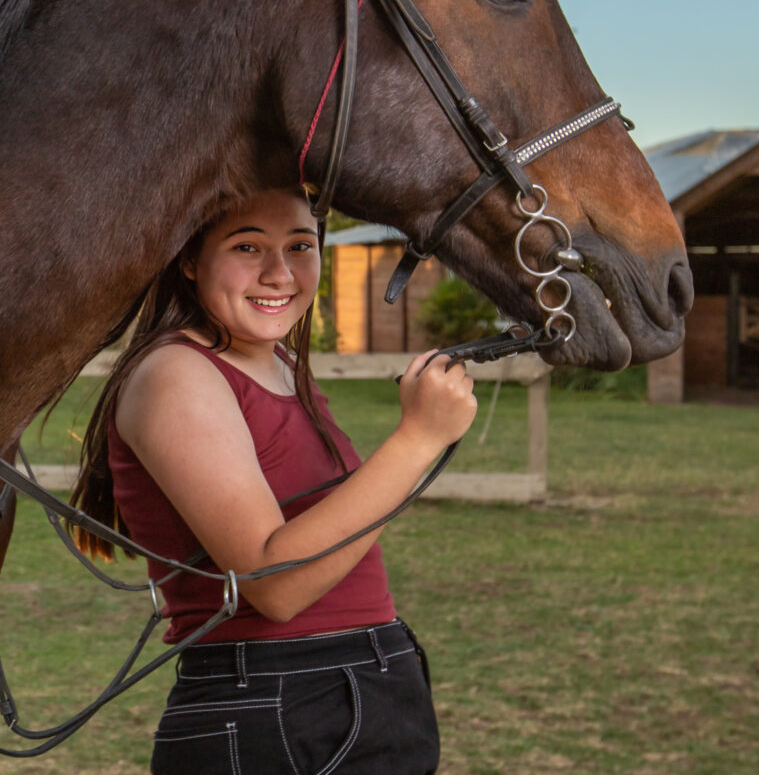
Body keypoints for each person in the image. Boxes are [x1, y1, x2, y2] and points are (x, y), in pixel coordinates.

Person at [70, 187, 476, 774]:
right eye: (247, 246)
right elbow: (274, 583)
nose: (279, 273)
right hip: (274, 698)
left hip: (361, 681)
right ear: (189, 258)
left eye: (300, 246)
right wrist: (418, 439)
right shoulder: (177, 373)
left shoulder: (276, 361)